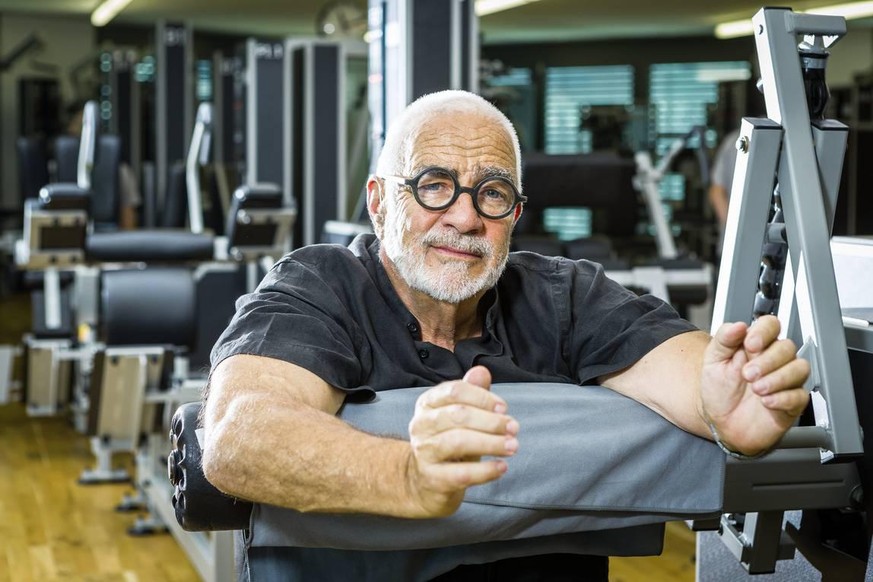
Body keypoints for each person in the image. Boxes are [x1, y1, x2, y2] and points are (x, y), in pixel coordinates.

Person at [202, 90, 810, 581]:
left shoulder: (561, 294)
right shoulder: (321, 285)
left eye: (492, 193)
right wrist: (408, 475)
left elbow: (685, 369)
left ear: (515, 215)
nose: (465, 217)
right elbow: (237, 433)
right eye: (434, 185)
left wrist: (722, 400)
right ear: (380, 202)